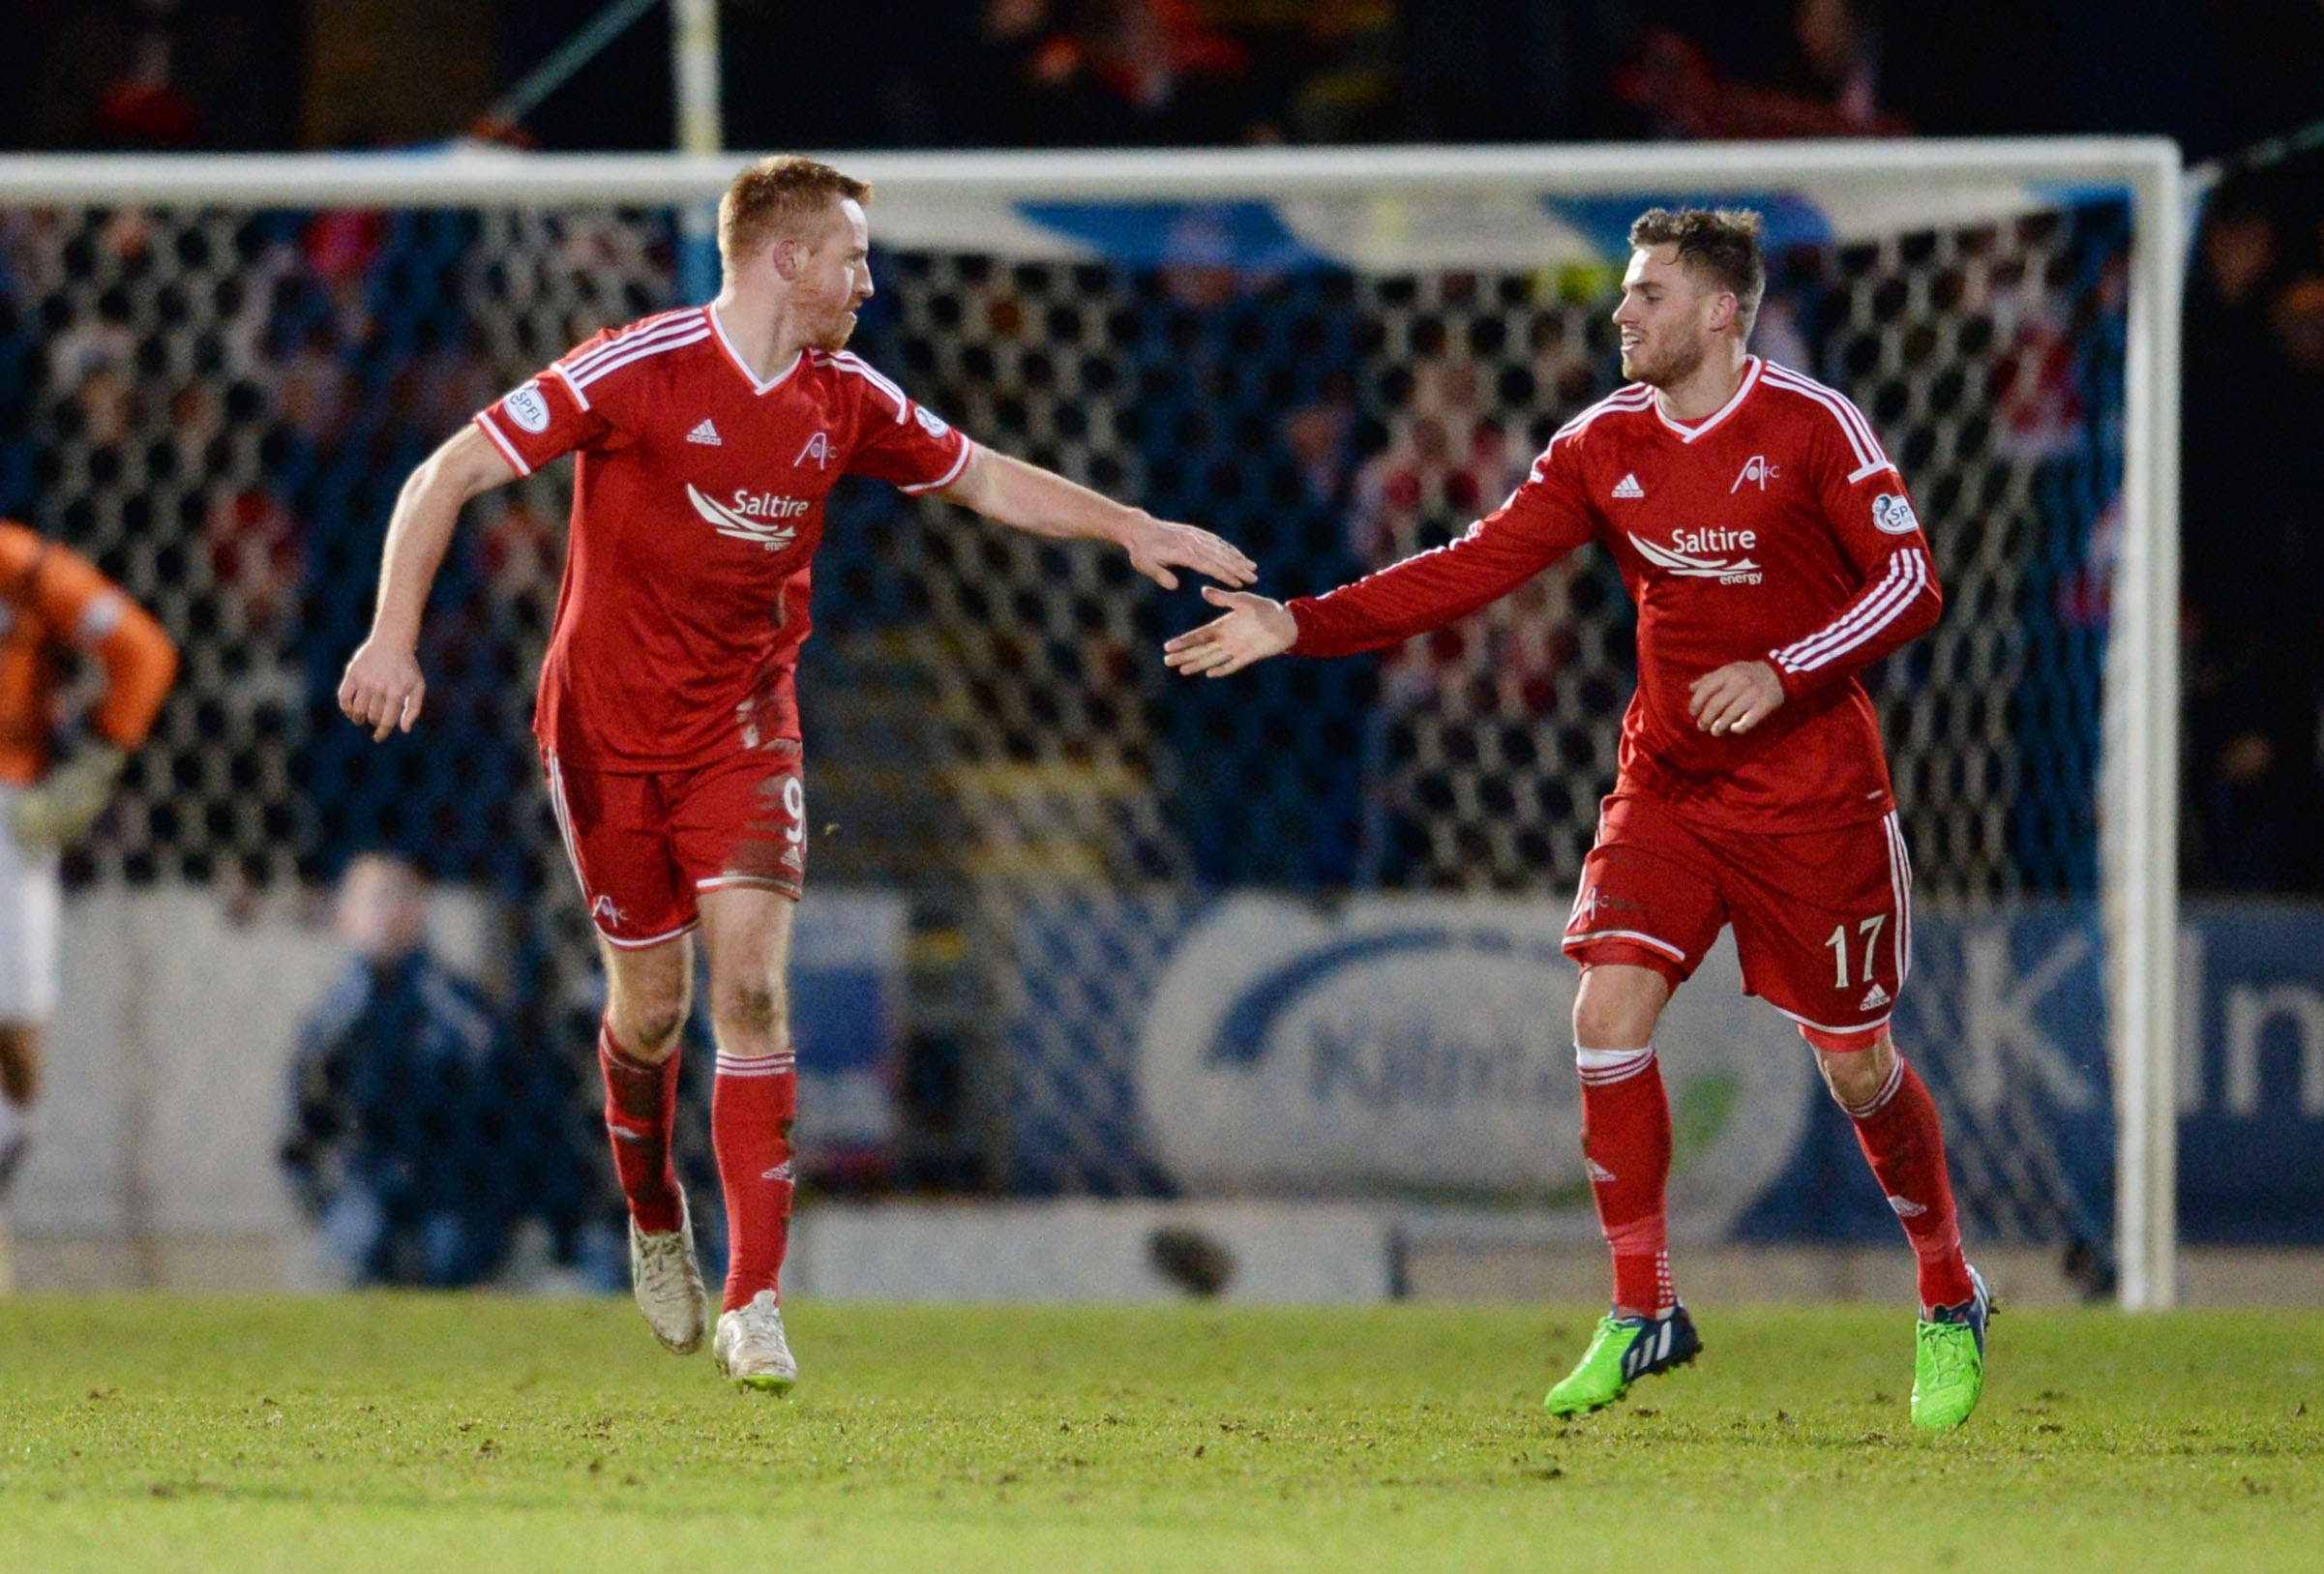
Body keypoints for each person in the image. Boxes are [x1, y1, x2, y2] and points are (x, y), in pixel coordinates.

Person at [339, 155, 1255, 1390]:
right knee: (650, 1012)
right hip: (603, 734)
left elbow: (982, 475)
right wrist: (392, 634)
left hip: (744, 728)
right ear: (787, 259)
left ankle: (753, 1298)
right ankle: (652, 1212)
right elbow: (444, 470)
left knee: (754, 995)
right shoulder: (637, 366)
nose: (867, 283)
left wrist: (1129, 526)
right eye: (853, 258)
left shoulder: (847, 397)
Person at [1165, 208, 1991, 1430]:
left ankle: (1944, 1293)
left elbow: (1911, 580)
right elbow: (1473, 564)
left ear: (1720, 311)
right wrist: (1301, 621)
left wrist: (1781, 668)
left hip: (1810, 795)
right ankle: (1640, 1305)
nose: (1622, 312)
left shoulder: (1810, 426)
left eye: (1648, 293)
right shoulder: (1601, 442)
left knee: (1854, 1063)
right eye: (1624, 291)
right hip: (1668, 782)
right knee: (1604, 1016)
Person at [0, 520, 177, 1290]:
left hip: (5, 812)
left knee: (16, 1018)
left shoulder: (21, 566)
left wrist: (97, 763)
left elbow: (141, 651)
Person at [280, 853, 586, 1288]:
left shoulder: (460, 1013)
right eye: (375, 900)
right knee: (360, 1242)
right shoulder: (331, 1023)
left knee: (448, 1251)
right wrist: (319, 1194)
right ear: (343, 916)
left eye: (403, 897)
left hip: (452, 1186)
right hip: (364, 1182)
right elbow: (301, 1123)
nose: (389, 912)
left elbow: (509, 1101)